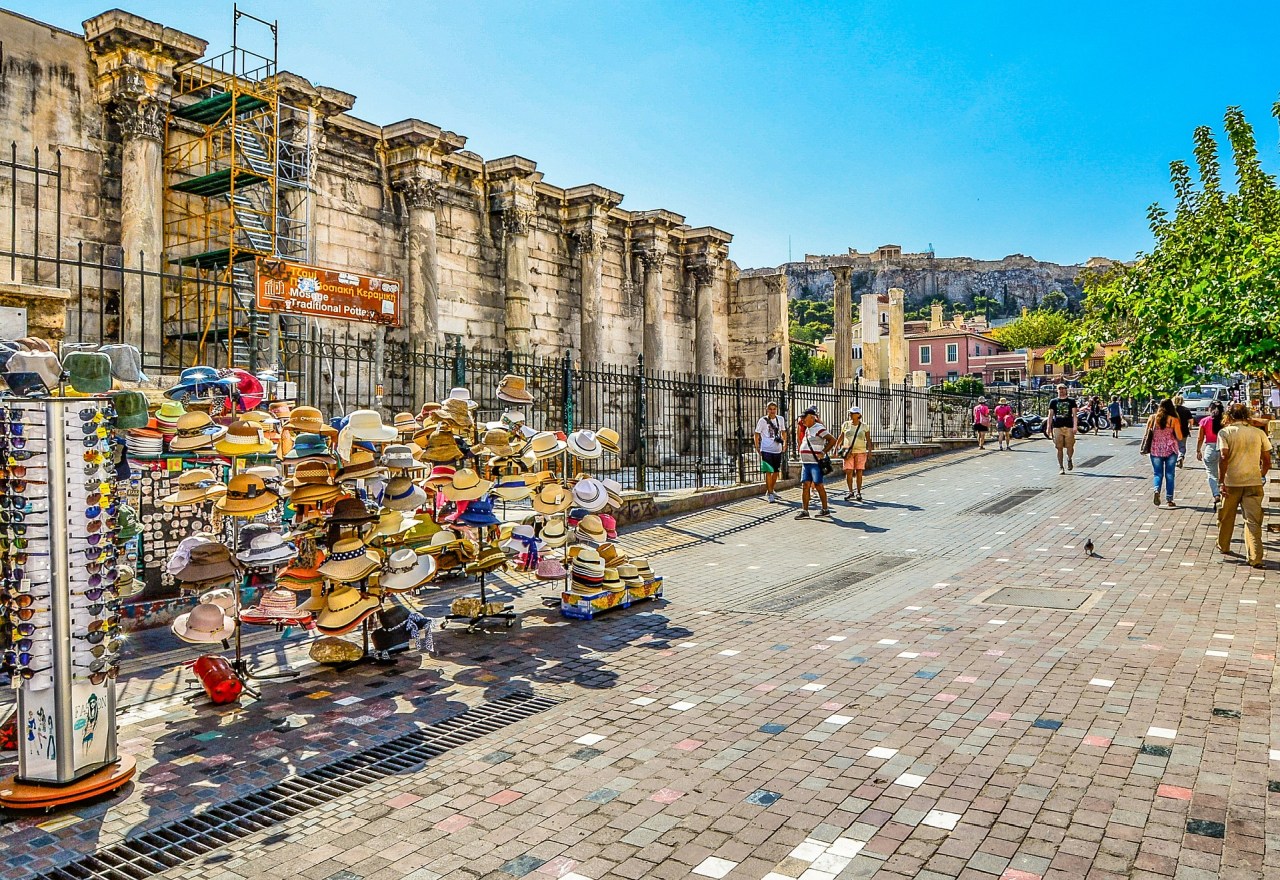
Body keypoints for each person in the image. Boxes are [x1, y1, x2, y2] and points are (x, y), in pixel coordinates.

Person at [1217, 403, 1271, 568]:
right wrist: (1261, 474)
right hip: (1253, 481)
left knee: (1226, 516)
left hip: (1232, 482)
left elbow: (1224, 456)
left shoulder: (1225, 433)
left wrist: (1221, 481)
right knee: (1253, 521)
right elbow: (1267, 460)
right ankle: (1255, 556)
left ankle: (1224, 545)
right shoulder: (1258, 433)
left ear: (1229, 416)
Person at [795, 406, 835, 519]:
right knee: (805, 485)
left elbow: (832, 440)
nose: (802, 420)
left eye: (804, 417)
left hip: (815, 463)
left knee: (818, 485)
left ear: (812, 417)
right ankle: (805, 510)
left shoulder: (819, 428)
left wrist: (823, 452)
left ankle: (825, 509)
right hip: (806, 463)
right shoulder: (808, 429)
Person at [1145, 398, 1183, 508]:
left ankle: (1157, 490)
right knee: (1170, 474)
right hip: (1171, 449)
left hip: (1155, 449)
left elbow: (1147, 433)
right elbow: (1180, 436)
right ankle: (1169, 499)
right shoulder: (1173, 419)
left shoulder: (1153, 418)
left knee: (1158, 473)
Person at [835, 405, 873, 501]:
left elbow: (868, 439)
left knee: (859, 471)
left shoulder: (864, 426)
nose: (850, 414)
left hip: (860, 451)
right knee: (848, 471)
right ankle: (850, 491)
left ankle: (858, 492)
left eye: (852, 413)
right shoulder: (846, 424)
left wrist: (870, 451)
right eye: (850, 413)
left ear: (858, 415)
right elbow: (841, 436)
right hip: (848, 452)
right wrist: (836, 447)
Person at [753, 402, 787, 503]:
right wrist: (757, 446)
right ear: (767, 410)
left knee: (776, 471)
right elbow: (756, 434)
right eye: (770, 409)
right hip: (766, 449)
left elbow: (784, 432)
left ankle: (770, 489)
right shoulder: (762, 421)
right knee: (768, 471)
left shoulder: (780, 419)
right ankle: (770, 493)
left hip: (777, 449)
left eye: (774, 409)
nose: (772, 411)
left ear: (776, 409)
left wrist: (785, 444)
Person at [1195, 401, 1224, 509]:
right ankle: (1224, 494)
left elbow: (1200, 438)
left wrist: (1198, 450)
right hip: (1224, 448)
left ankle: (1216, 494)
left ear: (1209, 409)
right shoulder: (1226, 422)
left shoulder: (1204, 421)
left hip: (1210, 448)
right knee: (1225, 473)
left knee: (1211, 474)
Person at [1046, 383, 1078, 473]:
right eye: (1060, 389)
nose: (1061, 390)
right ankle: (1061, 467)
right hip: (1057, 427)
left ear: (1066, 390)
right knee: (1059, 447)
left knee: (1070, 446)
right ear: (1057, 390)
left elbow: (1075, 415)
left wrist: (1075, 426)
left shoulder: (1071, 401)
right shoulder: (1053, 401)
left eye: (1063, 388)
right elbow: (1050, 415)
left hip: (1069, 427)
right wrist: (1048, 427)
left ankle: (1069, 459)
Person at [1172, 394, 1193, 467]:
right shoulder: (1186, 410)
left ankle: (1175, 459)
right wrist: (1190, 427)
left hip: (1172, 431)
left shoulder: (1171, 410)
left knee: (1173, 446)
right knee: (1182, 446)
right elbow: (1191, 420)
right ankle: (1181, 456)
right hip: (1183, 430)